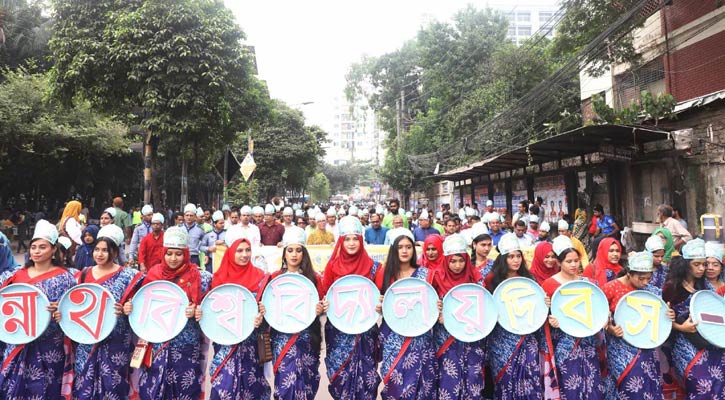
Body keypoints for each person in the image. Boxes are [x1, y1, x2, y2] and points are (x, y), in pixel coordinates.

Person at [123, 226, 213, 400]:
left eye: (178, 254)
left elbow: (209, 312)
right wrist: (130, 308)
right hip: (156, 341)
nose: (173, 258)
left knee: (185, 387)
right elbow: (142, 306)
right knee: (153, 387)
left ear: (186, 254)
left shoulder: (200, 278)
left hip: (185, 343)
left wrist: (197, 311)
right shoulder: (153, 275)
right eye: (169, 253)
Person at [63, 224, 143, 399]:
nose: (99, 254)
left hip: (116, 343)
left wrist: (131, 308)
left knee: (114, 386)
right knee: (84, 386)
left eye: (105, 250)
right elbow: (72, 305)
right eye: (97, 249)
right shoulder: (82, 275)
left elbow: (142, 307)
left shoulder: (130, 277)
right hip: (86, 341)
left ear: (114, 252)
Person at [0, 220, 76, 398]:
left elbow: (73, 314)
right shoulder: (13, 276)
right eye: (33, 247)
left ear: (53, 250)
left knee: (48, 388)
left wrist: (61, 312)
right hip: (17, 340)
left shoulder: (67, 279)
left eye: (42, 247)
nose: (36, 251)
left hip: (50, 344)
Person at [198, 235, 270, 400]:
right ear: (230, 253)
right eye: (239, 251)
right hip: (225, 343)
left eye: (247, 250)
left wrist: (261, 316)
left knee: (252, 385)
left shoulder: (260, 277)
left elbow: (267, 311)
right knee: (225, 384)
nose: (244, 255)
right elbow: (210, 312)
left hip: (251, 345)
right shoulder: (219, 279)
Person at [320, 216, 382, 398]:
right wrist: (324, 304)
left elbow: (379, 297)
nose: (352, 243)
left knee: (367, 375)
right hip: (339, 330)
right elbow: (326, 293)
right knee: (341, 377)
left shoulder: (374, 268)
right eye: (347, 239)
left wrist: (380, 305)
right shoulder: (332, 267)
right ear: (340, 241)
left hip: (365, 331)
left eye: (356, 238)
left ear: (361, 240)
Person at [541, 236, 607, 400]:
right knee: (569, 381)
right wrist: (550, 321)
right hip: (564, 343)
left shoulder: (589, 283)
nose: (573, 265)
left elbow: (599, 308)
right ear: (559, 262)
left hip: (588, 341)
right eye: (568, 261)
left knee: (592, 380)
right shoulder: (549, 284)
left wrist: (604, 319)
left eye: (576, 261)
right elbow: (543, 315)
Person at [603, 251, 672, 399]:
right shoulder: (611, 288)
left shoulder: (652, 291)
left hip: (646, 345)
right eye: (641, 278)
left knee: (648, 382)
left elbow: (660, 314)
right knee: (629, 382)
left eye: (648, 278)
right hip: (621, 346)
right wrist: (610, 328)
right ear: (629, 274)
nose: (645, 283)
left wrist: (669, 315)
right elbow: (599, 313)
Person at [377, 233, 437, 399]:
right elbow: (377, 302)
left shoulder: (426, 274)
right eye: (400, 247)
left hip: (420, 336)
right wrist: (379, 304)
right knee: (395, 379)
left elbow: (433, 302)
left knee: (421, 381)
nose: (404, 251)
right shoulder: (386, 274)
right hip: (393, 336)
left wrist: (438, 306)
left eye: (408, 247)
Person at [267, 227, 323, 400]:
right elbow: (267, 307)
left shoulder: (314, 278)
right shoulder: (274, 278)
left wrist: (320, 309)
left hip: (307, 338)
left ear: (304, 253)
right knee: (286, 382)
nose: (294, 255)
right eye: (290, 250)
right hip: (282, 338)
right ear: (284, 253)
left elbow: (321, 304)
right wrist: (263, 309)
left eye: (299, 250)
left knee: (307, 380)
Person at [485, 233, 543, 399]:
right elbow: (487, 306)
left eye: (518, 256)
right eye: (511, 257)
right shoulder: (492, 279)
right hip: (502, 337)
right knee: (505, 377)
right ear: (504, 258)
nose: (516, 260)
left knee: (530, 374)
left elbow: (536, 303)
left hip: (526, 334)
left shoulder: (529, 278)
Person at [429, 234, 485, 398]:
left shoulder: (475, 278)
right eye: (453, 261)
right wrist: (438, 312)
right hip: (445, 337)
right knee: (448, 375)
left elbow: (484, 306)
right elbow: (427, 307)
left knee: (472, 374)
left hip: (471, 335)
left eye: (461, 261)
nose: (458, 265)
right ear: (446, 260)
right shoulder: (435, 278)